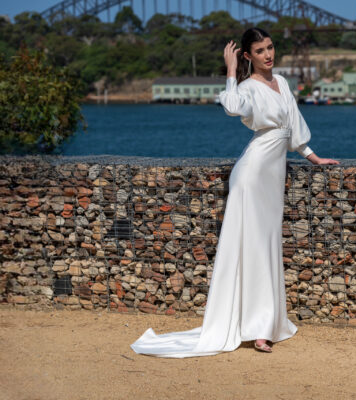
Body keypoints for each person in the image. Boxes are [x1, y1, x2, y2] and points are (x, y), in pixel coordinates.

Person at [130, 27, 339, 357]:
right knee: (253, 246)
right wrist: (230, 70)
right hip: (252, 173)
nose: (268, 54)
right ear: (248, 56)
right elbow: (231, 106)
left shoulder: (282, 82)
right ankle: (258, 330)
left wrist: (314, 157)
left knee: (267, 246)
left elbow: (293, 127)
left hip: (272, 175)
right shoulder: (246, 87)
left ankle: (266, 322)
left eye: (270, 47)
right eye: (259, 51)